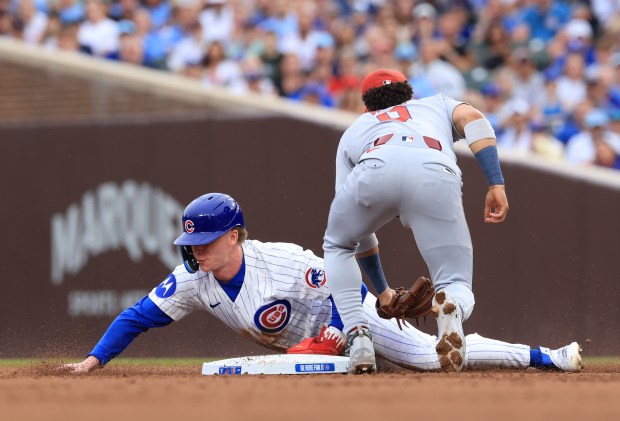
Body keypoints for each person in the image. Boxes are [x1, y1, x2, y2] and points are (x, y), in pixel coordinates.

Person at [59, 193, 583, 374]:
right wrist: (93, 361)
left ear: (236, 235)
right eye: (192, 242)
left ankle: (549, 357)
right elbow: (135, 318)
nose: (197, 250)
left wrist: (343, 330)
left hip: (355, 325)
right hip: (315, 349)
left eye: (210, 239)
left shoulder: (281, 261)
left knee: (429, 358)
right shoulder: (192, 280)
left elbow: (342, 279)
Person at [322, 69, 509, 374]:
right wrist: (496, 183)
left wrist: (383, 292)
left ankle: (358, 339)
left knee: (338, 244)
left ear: (366, 106)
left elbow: (360, 237)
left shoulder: (357, 128)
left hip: (375, 163)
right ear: (409, 95)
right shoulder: (435, 103)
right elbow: (474, 119)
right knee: (456, 281)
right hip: (434, 169)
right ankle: (451, 305)